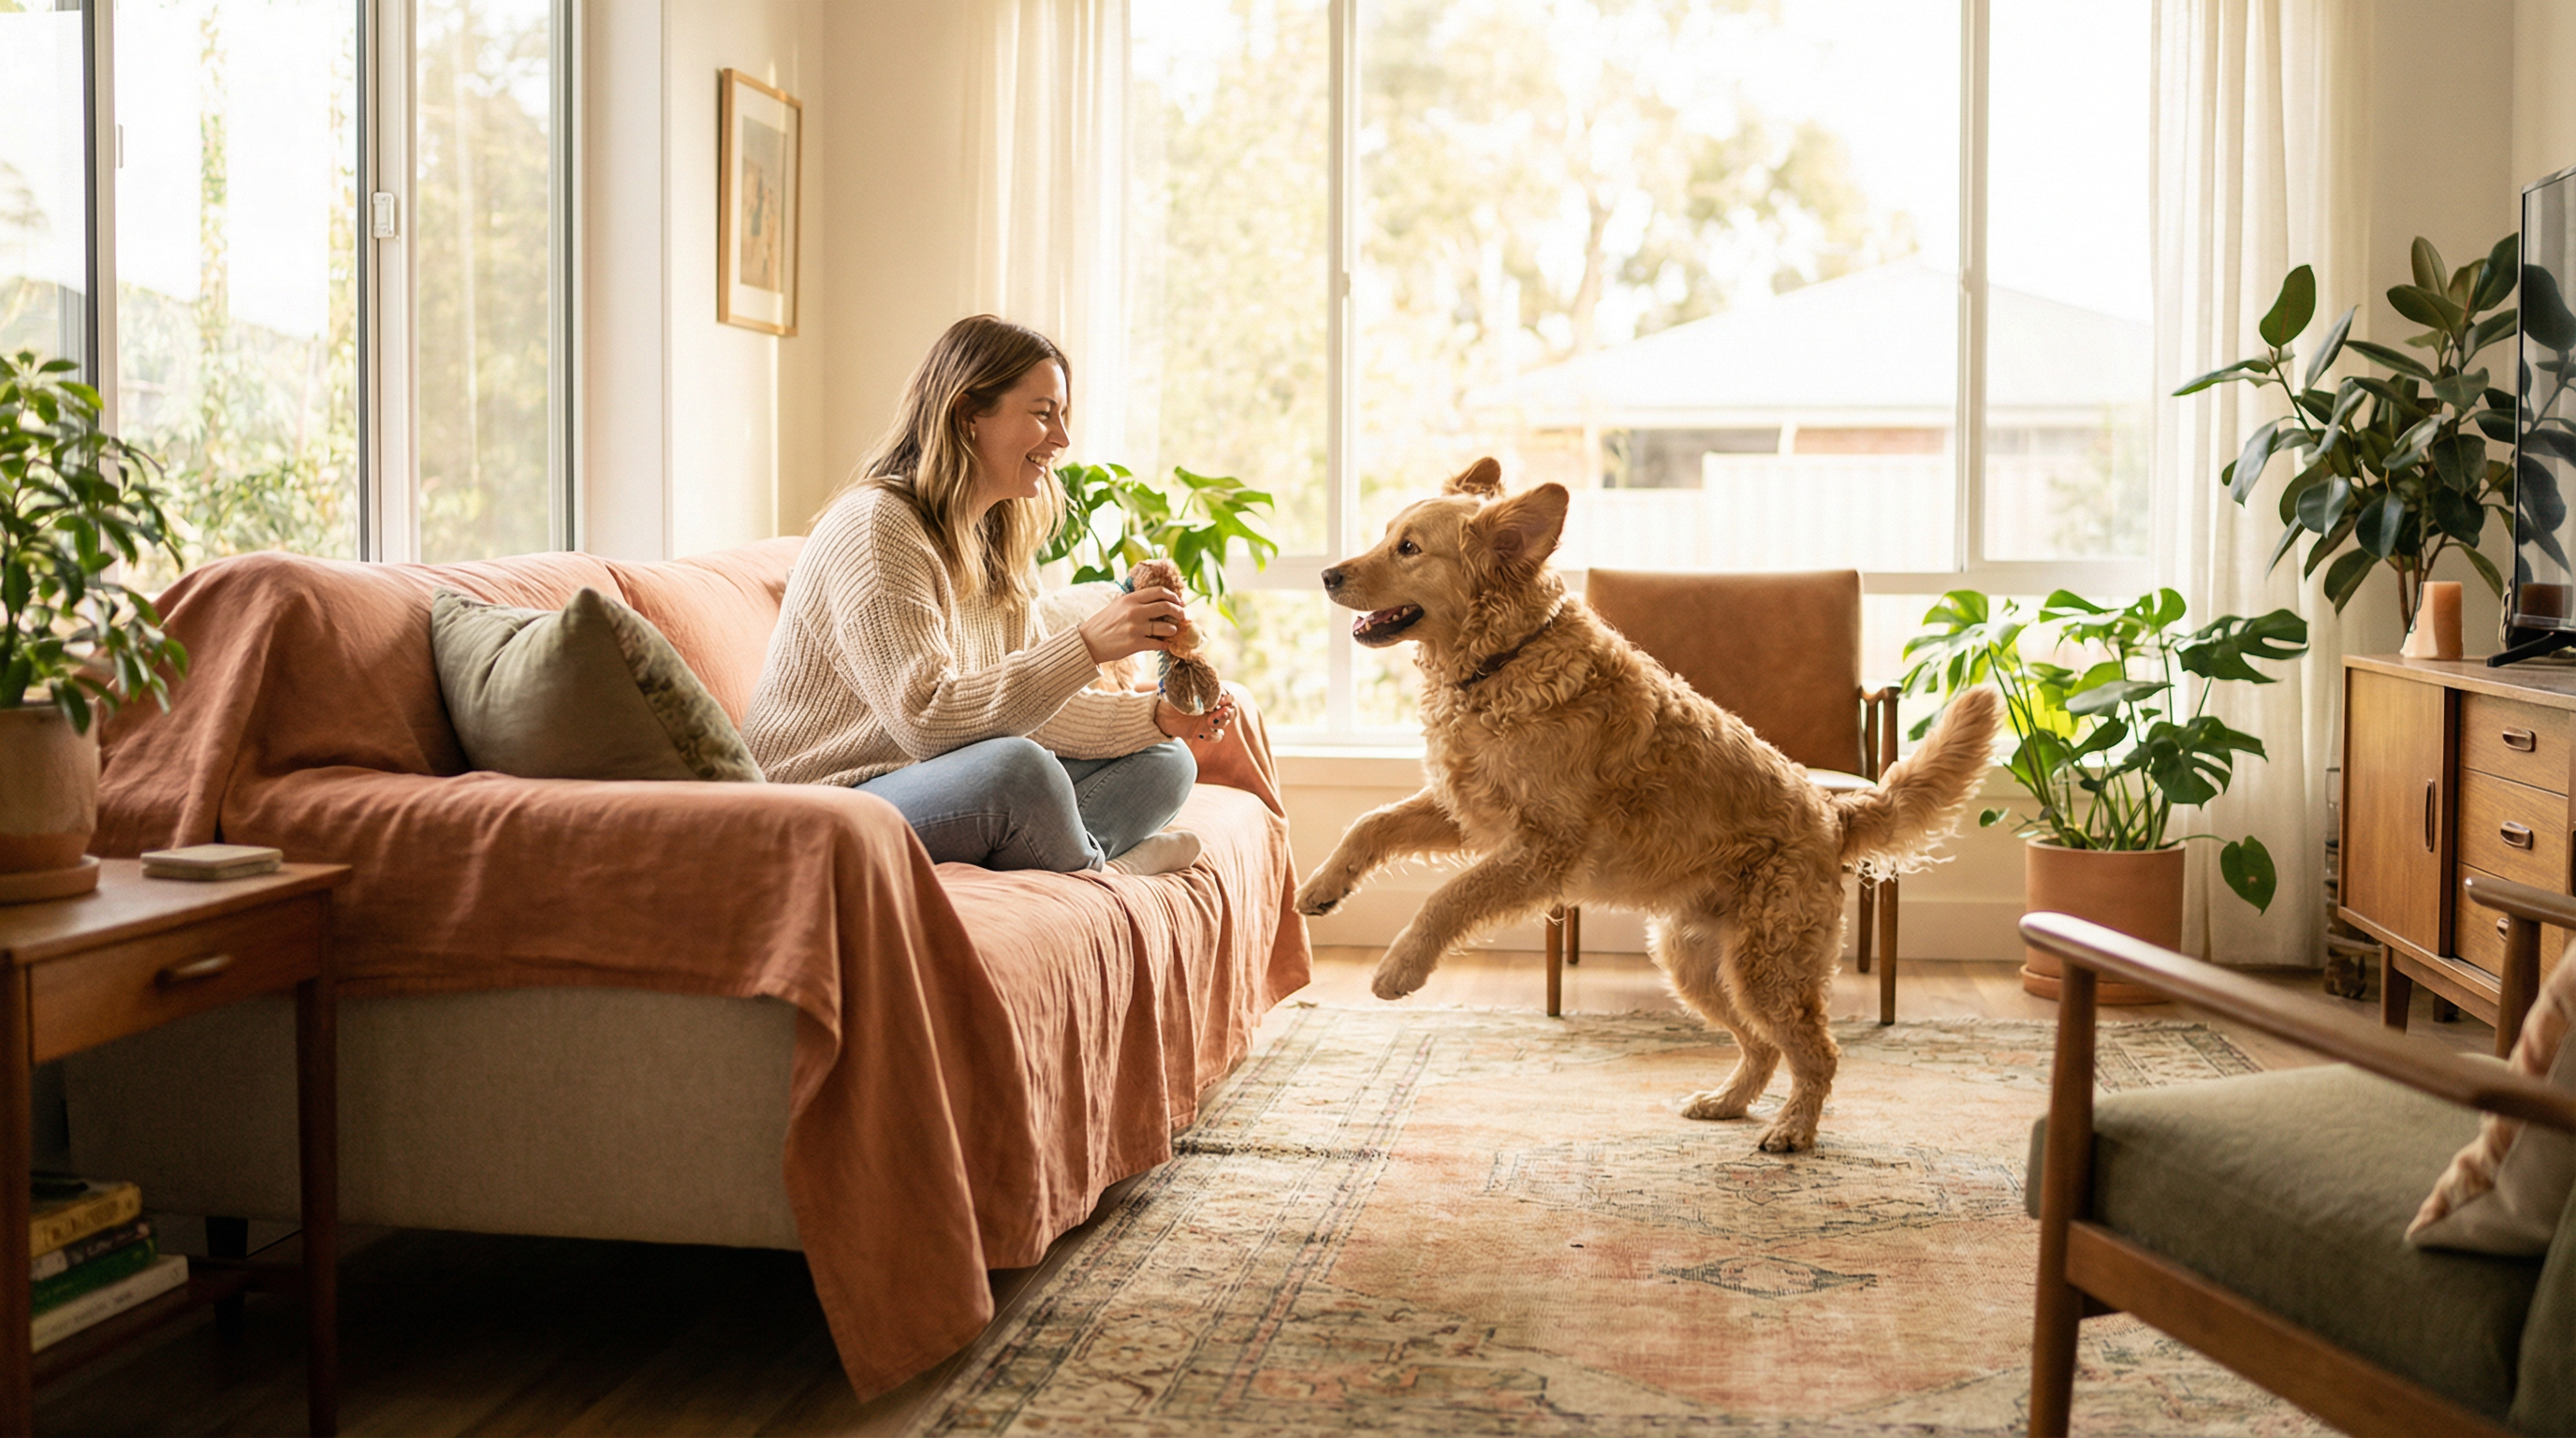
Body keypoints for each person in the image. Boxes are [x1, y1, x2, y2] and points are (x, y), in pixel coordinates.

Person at [742, 315, 1234, 875]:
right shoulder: (877, 526)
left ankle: (1083, 858)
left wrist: (1158, 717)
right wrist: (1085, 647)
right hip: (825, 802)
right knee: (1017, 769)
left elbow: (1029, 715)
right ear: (969, 414)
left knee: (1165, 760)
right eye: (1043, 414)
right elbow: (926, 719)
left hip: (929, 777)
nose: (1063, 440)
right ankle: (1100, 869)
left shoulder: (992, 540)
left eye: (1063, 417)